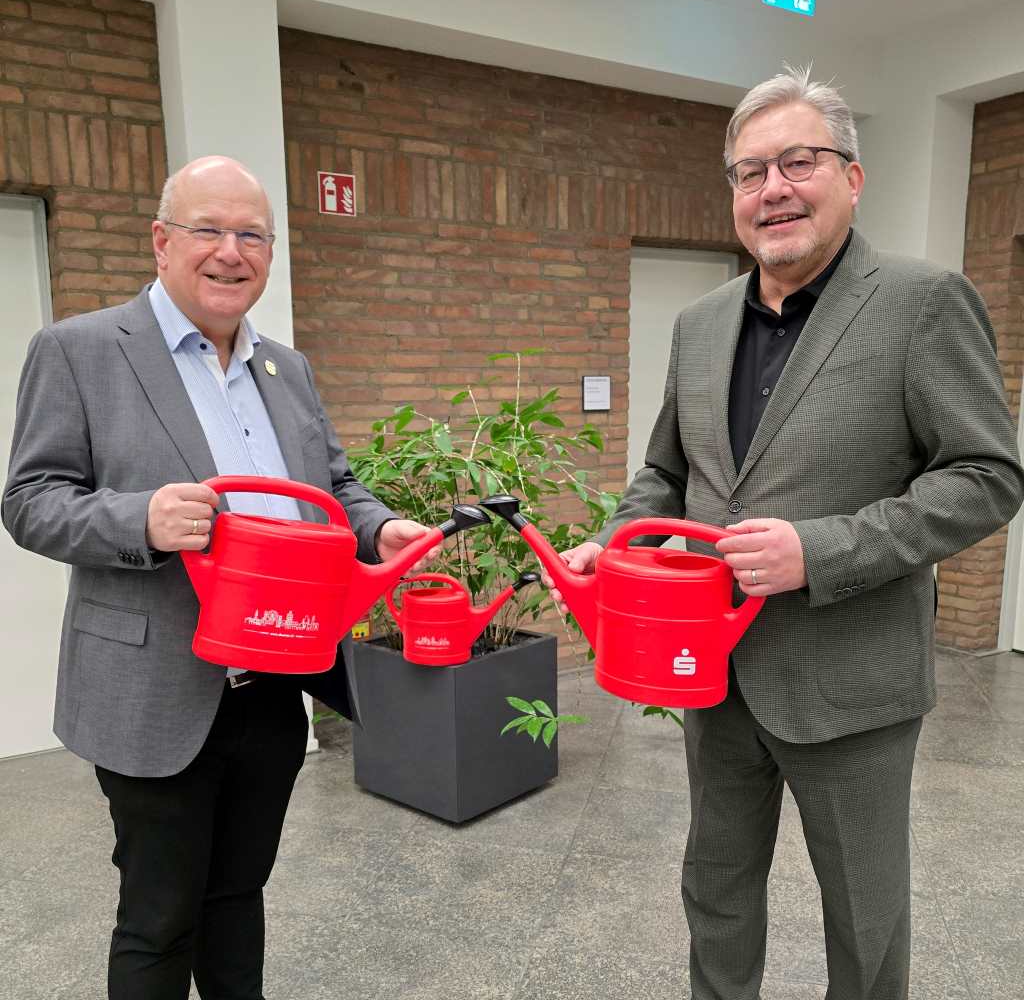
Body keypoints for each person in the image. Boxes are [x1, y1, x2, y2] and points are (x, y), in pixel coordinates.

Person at [547, 66, 1024, 999]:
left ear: (851, 176)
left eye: (797, 162)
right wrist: (627, 540)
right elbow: (665, 472)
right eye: (749, 171)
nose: (773, 189)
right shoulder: (700, 324)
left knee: (865, 915)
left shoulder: (923, 303)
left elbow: (987, 477)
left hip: (852, 684)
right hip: (711, 673)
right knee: (715, 891)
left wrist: (822, 550)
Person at [3, 155, 439, 1000]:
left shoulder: (287, 367)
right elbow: (29, 502)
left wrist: (380, 525)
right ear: (162, 242)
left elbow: (334, 486)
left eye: (251, 235)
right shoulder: (80, 350)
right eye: (209, 230)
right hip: (153, 687)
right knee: (160, 916)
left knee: (239, 896)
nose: (230, 252)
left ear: (269, 254)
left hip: (276, 680)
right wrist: (141, 520)